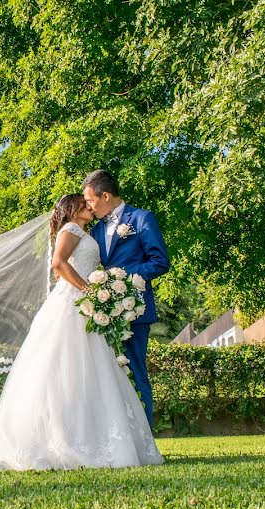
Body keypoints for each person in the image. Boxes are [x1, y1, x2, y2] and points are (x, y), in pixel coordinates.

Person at [0, 194, 163, 471]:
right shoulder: (71, 229)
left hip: (82, 305)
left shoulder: (87, 231)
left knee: (87, 371)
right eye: (83, 203)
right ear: (71, 208)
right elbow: (59, 263)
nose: (88, 206)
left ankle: (88, 436)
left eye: (89, 201)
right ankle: (61, 441)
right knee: (64, 368)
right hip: (72, 303)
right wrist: (88, 290)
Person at [84, 169, 170, 427]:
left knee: (135, 371)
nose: (88, 206)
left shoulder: (142, 218)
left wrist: (122, 279)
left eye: (91, 200)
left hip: (135, 308)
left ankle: (145, 438)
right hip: (104, 314)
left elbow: (160, 262)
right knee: (108, 377)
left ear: (106, 195)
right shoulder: (96, 229)